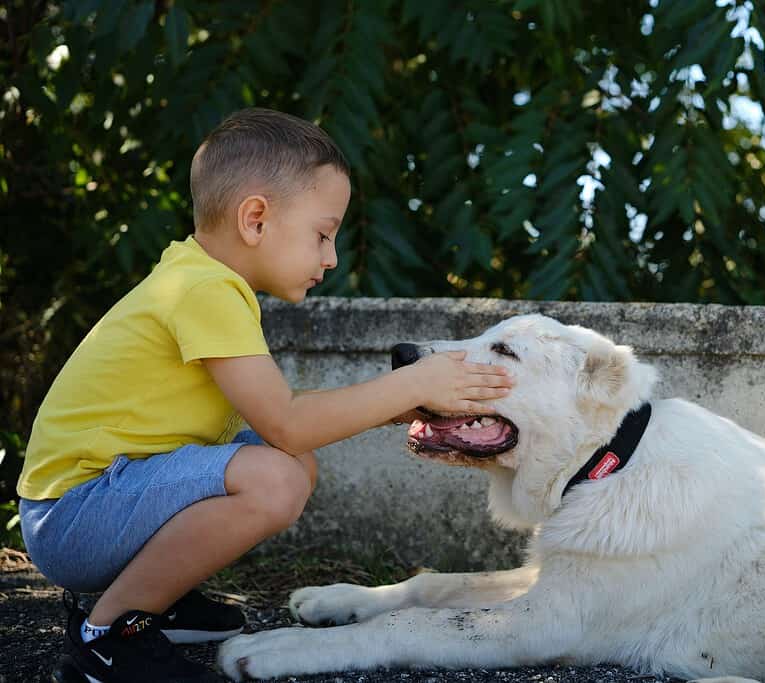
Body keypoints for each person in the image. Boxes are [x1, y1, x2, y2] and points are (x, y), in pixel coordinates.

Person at [16, 107, 514, 682]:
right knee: (274, 475)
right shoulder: (204, 291)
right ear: (255, 219)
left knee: (289, 464)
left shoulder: (204, 281)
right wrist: (416, 380)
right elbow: (288, 420)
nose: (331, 257)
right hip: (74, 517)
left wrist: (398, 406)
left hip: (101, 500)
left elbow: (283, 418)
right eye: (322, 234)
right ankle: (107, 639)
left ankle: (156, 597)